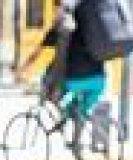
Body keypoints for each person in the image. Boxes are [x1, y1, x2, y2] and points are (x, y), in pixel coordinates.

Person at [26, 6, 110, 134]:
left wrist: (23, 69)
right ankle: (76, 139)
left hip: (75, 80)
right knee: (81, 111)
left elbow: (39, 55)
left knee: (52, 95)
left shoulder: (62, 29)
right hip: (99, 81)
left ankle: (64, 117)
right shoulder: (94, 29)